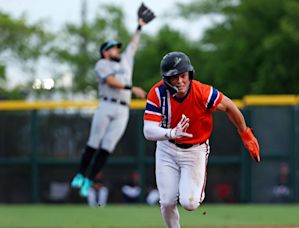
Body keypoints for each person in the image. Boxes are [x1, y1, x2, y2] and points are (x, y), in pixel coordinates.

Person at [143, 51, 261, 228]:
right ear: (167, 79)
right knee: (167, 202)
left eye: (183, 75)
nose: (180, 81)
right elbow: (148, 131)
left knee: (189, 203)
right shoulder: (158, 93)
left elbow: (229, 106)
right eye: (175, 77)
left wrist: (245, 133)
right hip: (167, 148)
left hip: (195, 150)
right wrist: (171, 133)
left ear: (189, 74)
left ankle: (196, 189)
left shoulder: (202, 92)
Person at [70, 17, 149, 198]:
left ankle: (89, 180)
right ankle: (80, 174)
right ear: (105, 52)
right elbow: (112, 82)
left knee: (107, 147)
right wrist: (131, 88)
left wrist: (139, 26)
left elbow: (134, 44)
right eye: (113, 48)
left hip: (123, 110)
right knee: (93, 142)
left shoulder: (126, 61)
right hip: (106, 105)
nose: (117, 50)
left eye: (117, 48)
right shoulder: (102, 64)